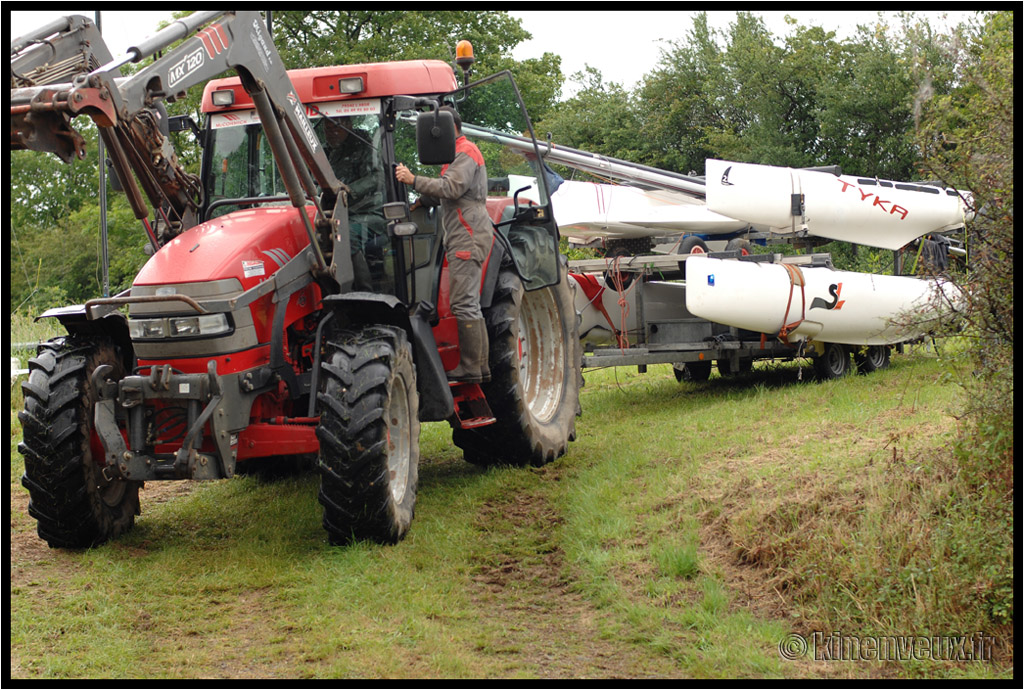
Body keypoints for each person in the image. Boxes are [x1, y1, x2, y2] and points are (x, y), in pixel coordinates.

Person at [395, 106, 493, 383]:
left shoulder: (464, 152)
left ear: (447, 129)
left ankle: (471, 368)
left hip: (467, 233)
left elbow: (450, 188)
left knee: (464, 304)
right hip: (467, 231)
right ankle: (480, 368)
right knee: (469, 303)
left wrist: (413, 180)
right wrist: (423, 200)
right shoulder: (457, 152)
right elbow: (450, 194)